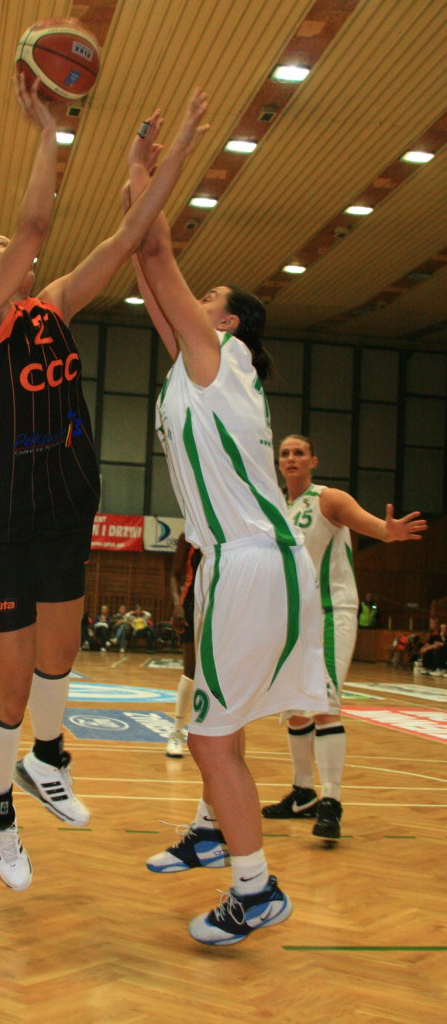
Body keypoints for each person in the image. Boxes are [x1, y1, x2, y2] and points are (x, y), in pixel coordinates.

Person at [0, 77, 209, 892]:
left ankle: (47, 762)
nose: (12, 251)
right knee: (12, 688)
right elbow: (33, 226)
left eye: (6, 249)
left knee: (61, 659)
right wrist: (49, 130)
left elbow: (129, 235)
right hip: (6, 518)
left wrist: (165, 155)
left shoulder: (50, 307)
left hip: (64, 505)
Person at [127, 125, 329, 947]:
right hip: (234, 561)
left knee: (208, 733)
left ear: (229, 320)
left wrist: (168, 158)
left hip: (250, 561)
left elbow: (154, 246)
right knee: (223, 717)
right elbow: (143, 259)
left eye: (207, 293)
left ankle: (255, 890)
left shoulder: (216, 358)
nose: (193, 296)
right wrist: (134, 173)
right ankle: (214, 830)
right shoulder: (194, 364)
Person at [262, 435, 427, 840]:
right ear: (278, 463)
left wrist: (388, 531)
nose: (291, 458)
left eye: (299, 453)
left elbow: (375, 528)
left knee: (324, 705)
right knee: (295, 708)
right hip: (293, 619)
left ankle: (331, 800)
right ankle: (303, 794)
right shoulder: (275, 506)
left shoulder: (329, 499)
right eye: (285, 453)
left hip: (330, 612)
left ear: (313, 460)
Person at [165, 532, 200, 758]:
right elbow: (175, 575)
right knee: (191, 670)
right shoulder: (189, 535)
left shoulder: (229, 530)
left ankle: (210, 736)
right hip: (192, 604)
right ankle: (176, 732)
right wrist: (177, 604)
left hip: (221, 605)